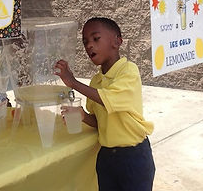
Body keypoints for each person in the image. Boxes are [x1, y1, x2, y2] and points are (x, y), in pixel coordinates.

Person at [54, 17, 155, 191]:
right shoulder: (96, 81)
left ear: (117, 41)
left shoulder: (128, 71)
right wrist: (83, 116)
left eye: (96, 38)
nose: (89, 46)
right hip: (107, 157)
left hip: (133, 156)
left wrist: (73, 83)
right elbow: (100, 121)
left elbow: (107, 98)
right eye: (85, 42)